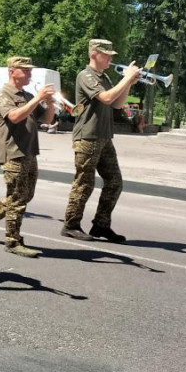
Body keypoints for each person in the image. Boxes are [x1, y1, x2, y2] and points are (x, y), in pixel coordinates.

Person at [0, 57, 55, 257]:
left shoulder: (27, 95)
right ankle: (12, 240)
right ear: (12, 71)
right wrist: (38, 98)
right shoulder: (3, 95)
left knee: (25, 195)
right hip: (13, 152)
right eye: (25, 71)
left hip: (29, 151)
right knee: (17, 197)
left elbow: (46, 119)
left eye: (30, 71)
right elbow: (14, 117)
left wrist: (49, 103)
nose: (29, 74)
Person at [61, 39, 140, 243]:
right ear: (95, 54)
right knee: (84, 184)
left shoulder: (104, 77)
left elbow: (116, 104)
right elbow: (105, 98)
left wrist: (129, 83)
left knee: (115, 182)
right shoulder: (85, 75)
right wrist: (126, 78)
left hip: (104, 137)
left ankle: (101, 225)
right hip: (87, 137)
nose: (110, 59)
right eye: (107, 56)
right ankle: (71, 225)